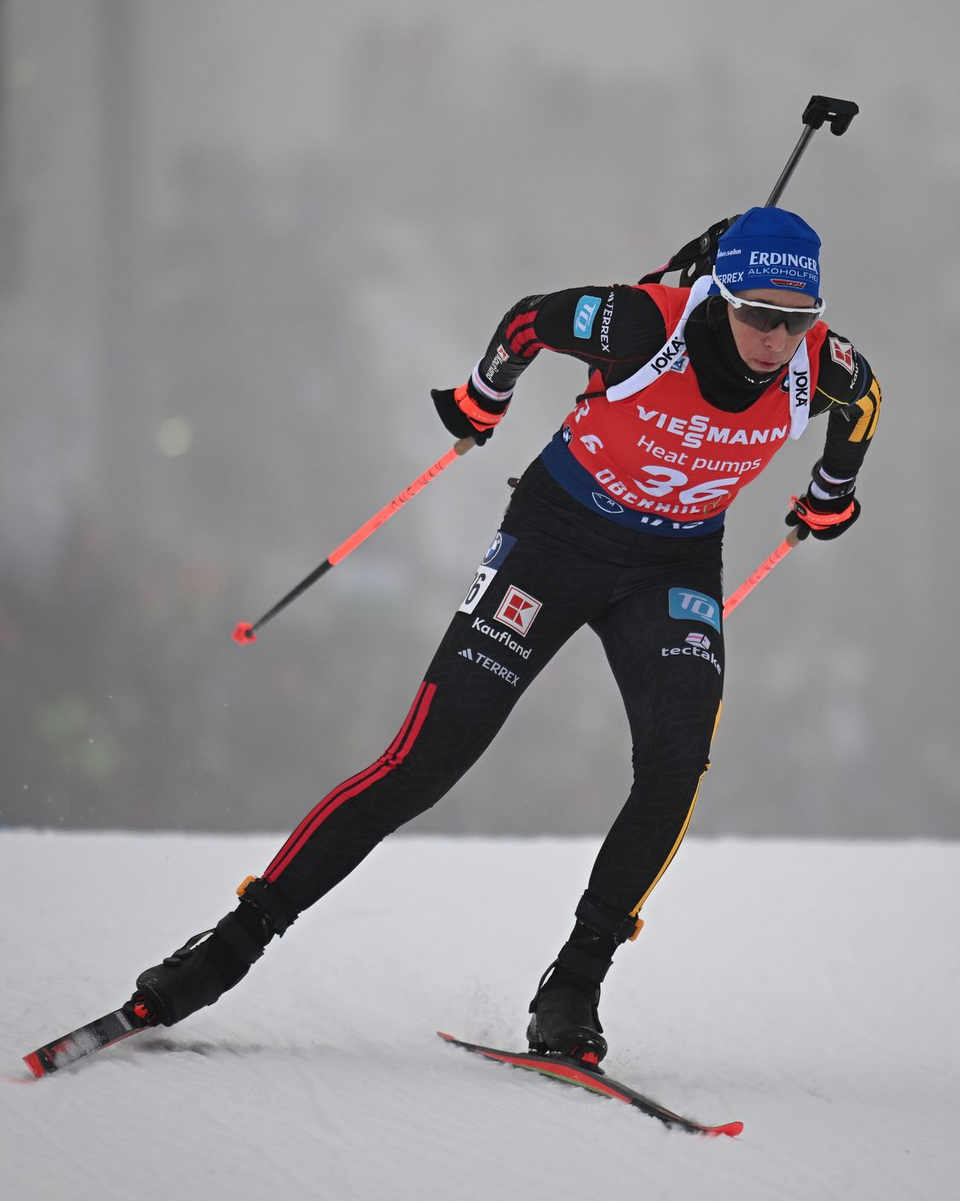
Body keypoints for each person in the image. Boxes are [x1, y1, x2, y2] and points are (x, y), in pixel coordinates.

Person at [130, 207, 882, 1064]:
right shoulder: (641, 324)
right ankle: (232, 942)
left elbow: (866, 403)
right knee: (424, 762)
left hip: (672, 567)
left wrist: (831, 493)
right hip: (557, 539)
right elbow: (530, 318)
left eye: (797, 317)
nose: (777, 337)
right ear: (721, 293)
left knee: (678, 761)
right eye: (757, 312)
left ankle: (573, 985)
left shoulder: (825, 364)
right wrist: (483, 396)